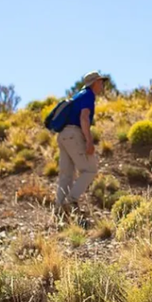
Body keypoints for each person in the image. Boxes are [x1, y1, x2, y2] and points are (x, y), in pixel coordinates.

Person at [56, 71, 108, 217]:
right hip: (74, 134)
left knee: (66, 175)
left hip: (63, 135)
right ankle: (70, 201)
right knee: (90, 170)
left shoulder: (78, 95)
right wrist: (89, 140)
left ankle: (60, 210)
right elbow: (84, 118)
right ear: (94, 83)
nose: (102, 84)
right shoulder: (88, 95)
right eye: (100, 82)